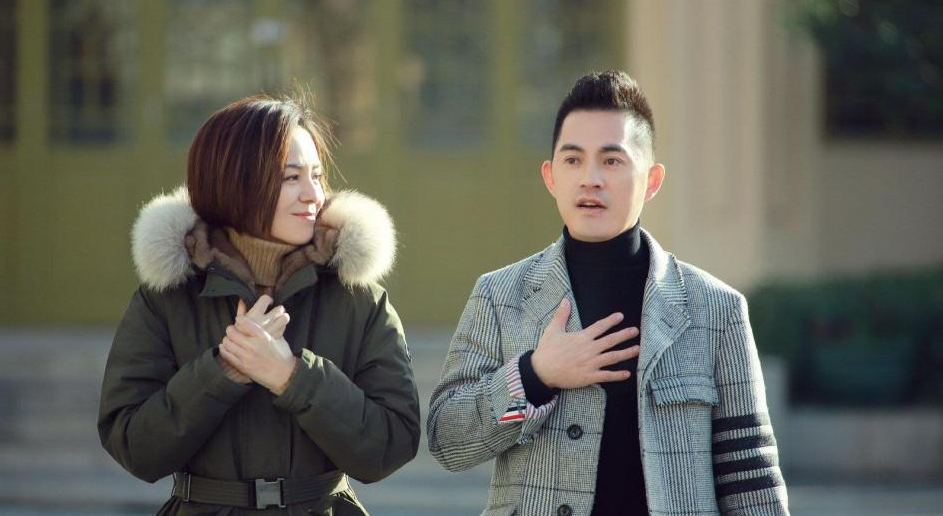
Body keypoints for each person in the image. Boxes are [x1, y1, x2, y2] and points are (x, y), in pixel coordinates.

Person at [427, 71, 789, 516]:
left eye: (612, 161)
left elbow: (750, 472)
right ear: (550, 176)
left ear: (652, 181)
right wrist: (535, 375)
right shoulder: (499, 295)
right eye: (573, 160)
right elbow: (448, 441)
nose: (590, 179)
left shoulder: (716, 308)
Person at [98, 94, 420, 515]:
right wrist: (223, 371)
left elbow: (392, 444)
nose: (314, 195)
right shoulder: (168, 297)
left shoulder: (359, 298)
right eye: (291, 178)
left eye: (317, 176)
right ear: (234, 181)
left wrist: (291, 376)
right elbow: (133, 447)